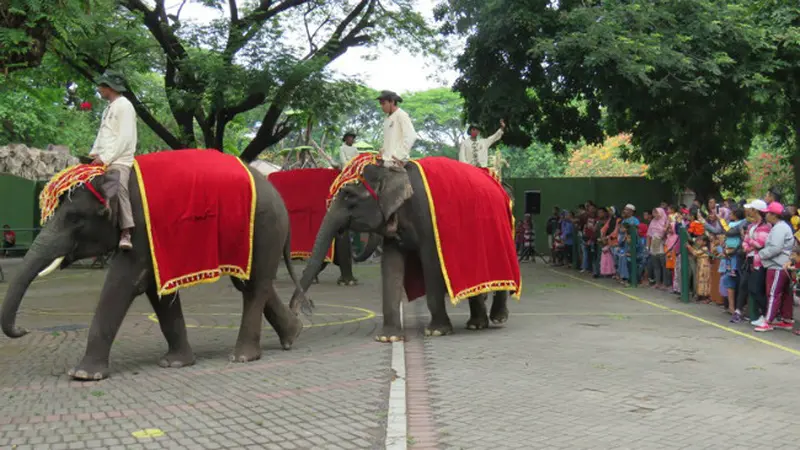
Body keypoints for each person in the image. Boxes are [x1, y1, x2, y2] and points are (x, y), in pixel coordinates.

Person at [88, 70, 137, 250]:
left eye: (102, 86)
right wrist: (95, 154)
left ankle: (126, 231)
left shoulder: (125, 106)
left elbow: (124, 138)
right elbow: (104, 134)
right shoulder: (109, 107)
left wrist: (106, 158)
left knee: (118, 188)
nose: (99, 89)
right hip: (103, 158)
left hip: (119, 160)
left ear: (110, 87)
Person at [754, 202, 795, 332]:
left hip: (777, 265)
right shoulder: (780, 226)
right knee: (784, 294)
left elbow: (775, 248)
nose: (765, 215)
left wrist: (761, 254)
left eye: (767, 213)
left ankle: (768, 321)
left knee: (773, 293)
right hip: (781, 264)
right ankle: (786, 319)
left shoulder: (779, 228)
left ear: (774, 215)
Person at [376, 90, 416, 167]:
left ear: (392, 102)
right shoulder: (387, 119)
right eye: (380, 104)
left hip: (397, 162)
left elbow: (411, 136)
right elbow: (389, 142)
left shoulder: (401, 115)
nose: (382, 107)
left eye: (383, 104)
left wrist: (399, 156)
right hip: (386, 160)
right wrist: (382, 152)